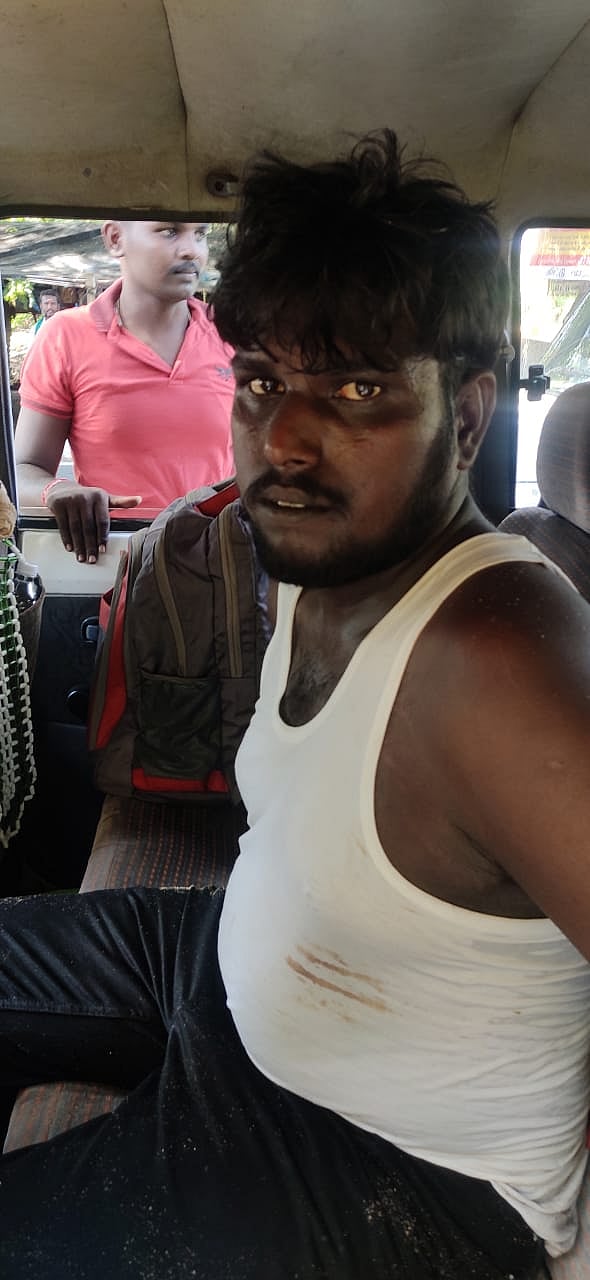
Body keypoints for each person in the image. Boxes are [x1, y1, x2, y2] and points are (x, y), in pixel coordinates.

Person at [0, 131, 589, 1280]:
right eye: (263, 380)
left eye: (357, 388)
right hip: (231, 966)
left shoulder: (501, 658)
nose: (285, 439)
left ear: (468, 417)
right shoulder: (321, 565)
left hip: (382, 1158)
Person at [14, 222, 235, 563]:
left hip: (219, 564)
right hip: (111, 567)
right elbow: (22, 471)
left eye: (201, 234)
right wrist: (57, 490)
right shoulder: (65, 336)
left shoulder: (232, 336)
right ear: (116, 239)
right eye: (169, 231)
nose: (192, 250)